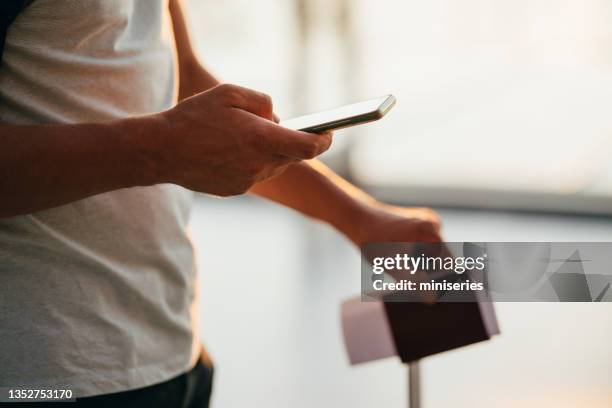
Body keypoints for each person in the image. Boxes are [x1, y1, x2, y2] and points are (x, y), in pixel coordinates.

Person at [0, 0, 441, 406]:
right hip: (41, 377)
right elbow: (170, 134)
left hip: (173, 353)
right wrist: (161, 149)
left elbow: (181, 78)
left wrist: (360, 219)